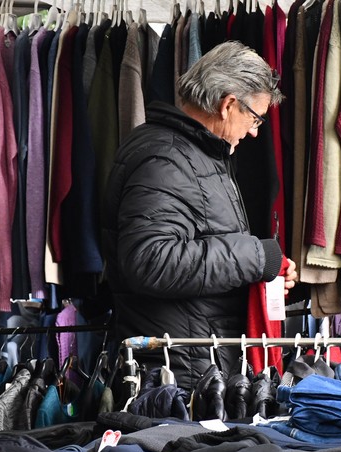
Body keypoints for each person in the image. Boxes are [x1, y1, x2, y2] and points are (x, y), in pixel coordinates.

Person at [103, 41, 297, 390]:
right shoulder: (165, 160)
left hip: (193, 361)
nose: (255, 131)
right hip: (179, 373)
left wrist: (265, 274)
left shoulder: (193, 154)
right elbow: (150, 261)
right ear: (228, 105)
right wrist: (257, 256)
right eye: (256, 118)